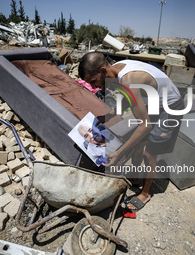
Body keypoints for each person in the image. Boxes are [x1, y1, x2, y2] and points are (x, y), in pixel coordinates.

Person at [78, 52, 184, 211]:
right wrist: (112, 114)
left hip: (170, 105)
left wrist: (119, 152)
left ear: (103, 71)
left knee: (150, 151)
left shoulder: (128, 80)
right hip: (153, 100)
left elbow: (145, 125)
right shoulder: (116, 72)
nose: (94, 87)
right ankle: (134, 178)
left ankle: (145, 193)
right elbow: (130, 97)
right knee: (139, 144)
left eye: (94, 81)